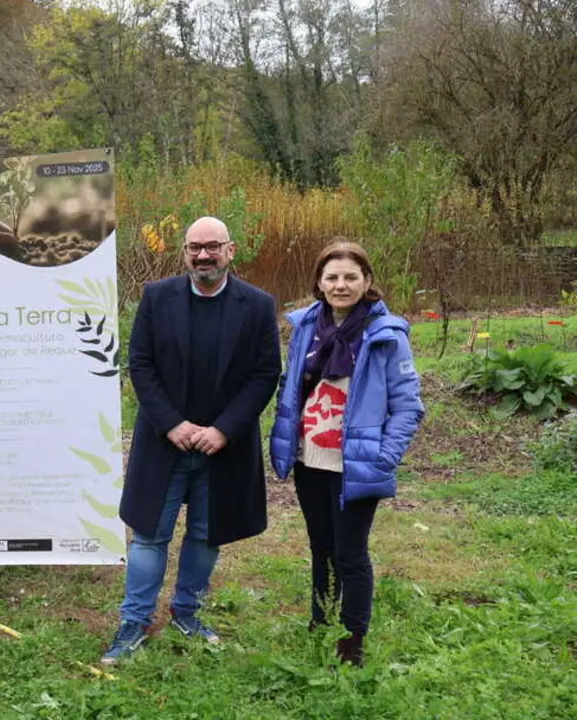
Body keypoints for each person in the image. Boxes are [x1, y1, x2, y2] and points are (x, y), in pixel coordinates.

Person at [103, 216, 281, 663]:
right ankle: (135, 620)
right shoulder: (157, 298)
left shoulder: (258, 305)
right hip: (166, 442)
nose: (204, 255)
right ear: (184, 251)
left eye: (213, 247)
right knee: (148, 534)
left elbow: (264, 374)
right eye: (194, 247)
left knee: (206, 534)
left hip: (224, 446)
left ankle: (187, 612)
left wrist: (224, 429)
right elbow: (139, 364)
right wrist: (172, 424)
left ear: (231, 250)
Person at [269, 240, 424, 667]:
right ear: (319, 282)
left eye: (350, 277)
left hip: (355, 464)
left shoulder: (386, 335)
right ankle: (321, 622)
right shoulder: (305, 327)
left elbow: (408, 406)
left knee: (350, 553)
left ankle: (352, 640)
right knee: (321, 548)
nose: (341, 285)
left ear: (367, 281)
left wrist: (383, 457)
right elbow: (292, 387)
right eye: (332, 277)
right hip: (310, 459)